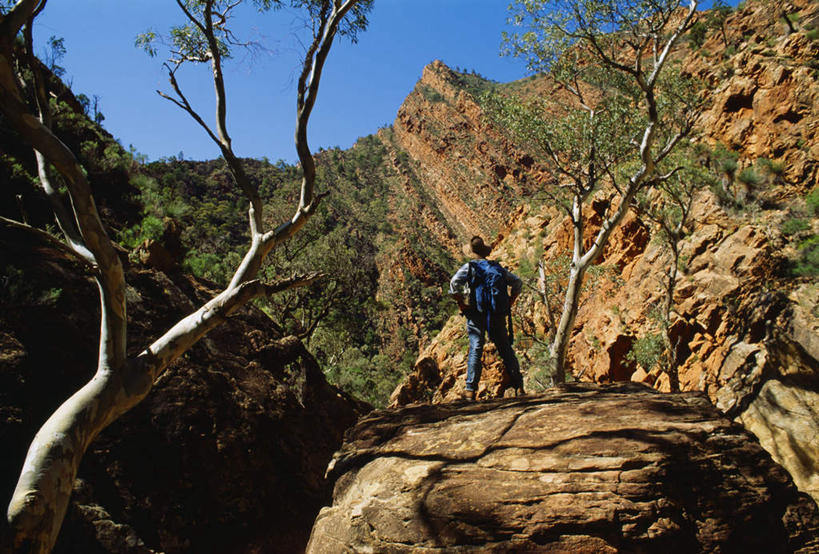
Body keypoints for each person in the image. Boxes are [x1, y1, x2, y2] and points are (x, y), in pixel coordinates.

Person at [449, 236, 525, 401]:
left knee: (476, 348)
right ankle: (519, 386)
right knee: (505, 348)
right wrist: (510, 301)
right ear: (485, 251)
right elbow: (517, 282)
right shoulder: (496, 267)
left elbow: (454, 283)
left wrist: (461, 303)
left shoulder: (470, 267)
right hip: (497, 313)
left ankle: (470, 391)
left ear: (472, 252)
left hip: (476, 313)